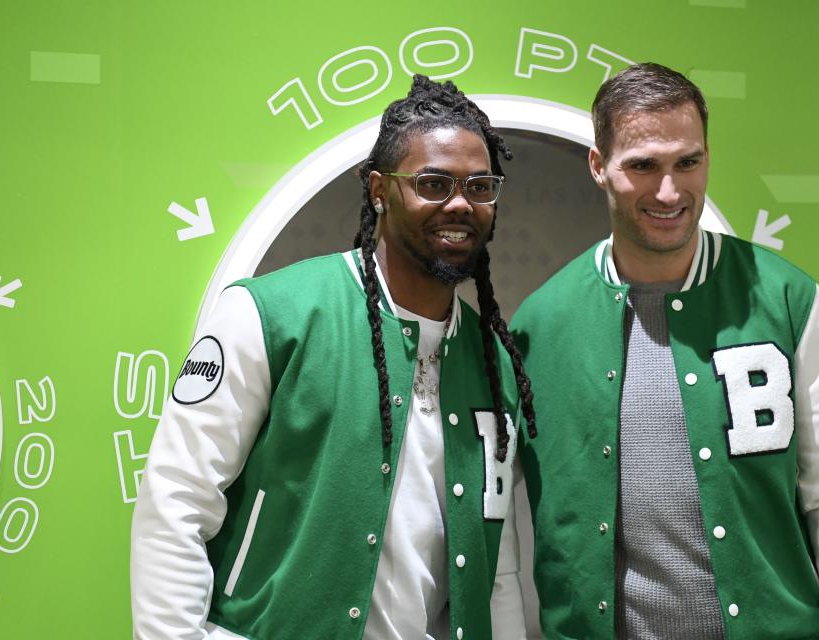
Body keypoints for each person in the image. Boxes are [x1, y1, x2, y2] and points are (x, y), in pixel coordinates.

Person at [131, 74, 537, 640]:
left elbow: (499, 569)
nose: (461, 204)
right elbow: (176, 503)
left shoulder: (493, 364)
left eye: (480, 186)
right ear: (378, 189)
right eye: (434, 183)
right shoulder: (269, 315)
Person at [511, 63, 819, 639]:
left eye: (688, 162)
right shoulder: (539, 324)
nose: (669, 191)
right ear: (598, 167)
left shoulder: (785, 297)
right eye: (643, 166)